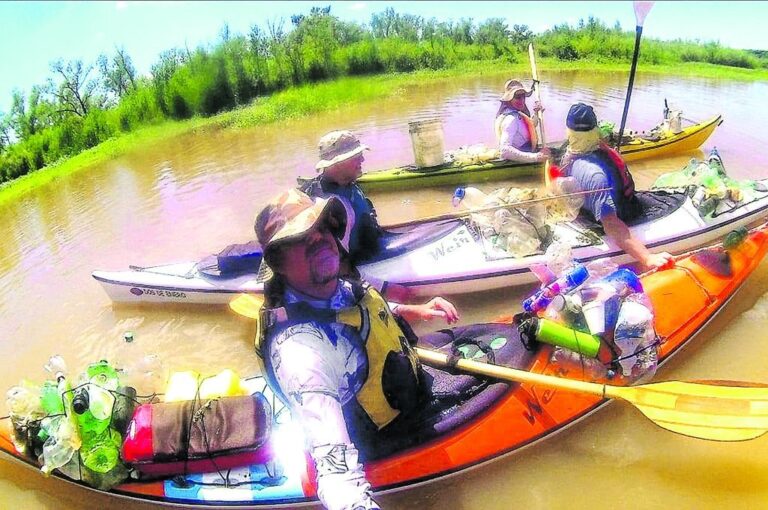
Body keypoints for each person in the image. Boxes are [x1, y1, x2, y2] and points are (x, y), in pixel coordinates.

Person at [253, 189, 459, 510]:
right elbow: (336, 474)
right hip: (379, 439)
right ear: (278, 262)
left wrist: (415, 311)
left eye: (322, 226)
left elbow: (360, 310)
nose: (319, 237)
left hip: (406, 392)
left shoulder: (335, 286)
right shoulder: (303, 353)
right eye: (301, 237)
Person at [559, 102, 673, 271]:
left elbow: (610, 222)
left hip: (619, 208)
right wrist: (647, 257)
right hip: (615, 210)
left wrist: (647, 258)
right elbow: (610, 223)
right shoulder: (589, 170)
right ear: (595, 130)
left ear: (569, 131)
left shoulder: (577, 162)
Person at [299, 130, 382, 266]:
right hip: (352, 267)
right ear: (337, 163)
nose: (362, 160)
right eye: (356, 156)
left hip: (372, 254)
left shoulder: (350, 185)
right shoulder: (317, 203)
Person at [494, 79, 551, 163]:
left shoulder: (516, 114)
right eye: (517, 97)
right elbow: (505, 150)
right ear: (509, 99)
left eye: (523, 96)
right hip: (519, 158)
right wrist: (536, 157)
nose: (522, 100)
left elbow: (529, 128)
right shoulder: (511, 119)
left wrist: (536, 113)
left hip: (527, 151)